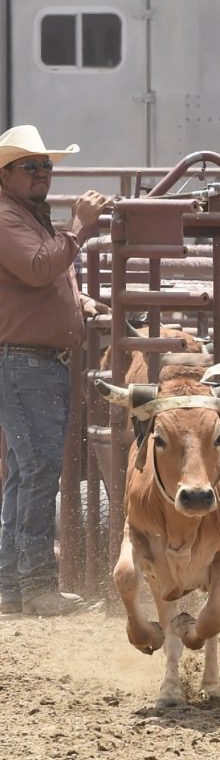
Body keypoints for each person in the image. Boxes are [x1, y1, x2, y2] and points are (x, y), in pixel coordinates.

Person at [0, 125, 111, 618]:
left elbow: (41, 278)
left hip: (32, 359)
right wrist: (80, 227)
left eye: (45, 166)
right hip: (26, 360)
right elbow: (40, 268)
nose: (43, 173)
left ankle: (12, 583)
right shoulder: (7, 216)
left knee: (28, 471)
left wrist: (76, 302)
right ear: (7, 175)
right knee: (41, 468)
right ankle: (37, 584)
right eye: (32, 167)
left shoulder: (23, 215)